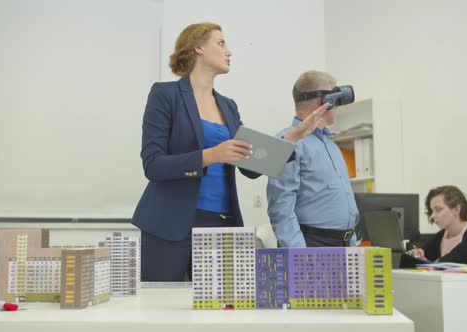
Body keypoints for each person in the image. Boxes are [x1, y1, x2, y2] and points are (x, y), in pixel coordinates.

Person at [132, 23, 328, 281]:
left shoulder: (228, 106)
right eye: (221, 43)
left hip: (221, 223)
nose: (229, 51)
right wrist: (212, 155)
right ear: (198, 47)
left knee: (218, 314)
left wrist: (294, 136)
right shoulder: (165, 95)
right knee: (161, 308)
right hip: (170, 224)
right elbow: (153, 165)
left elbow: (249, 165)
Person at [267, 70, 359, 248]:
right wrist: (299, 257)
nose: (338, 106)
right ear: (324, 102)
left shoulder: (330, 144)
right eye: (337, 100)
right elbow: (281, 207)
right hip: (312, 245)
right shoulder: (288, 142)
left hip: (344, 244)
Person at [408, 185, 467, 264]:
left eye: (438, 209)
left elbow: (459, 257)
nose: (432, 215)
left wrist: (433, 265)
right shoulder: (442, 235)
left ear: (456, 209)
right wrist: (417, 254)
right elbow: (425, 254)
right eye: (432, 211)